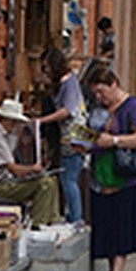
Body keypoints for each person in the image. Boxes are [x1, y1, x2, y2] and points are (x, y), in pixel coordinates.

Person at [86, 66, 136, 271]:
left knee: (121, 228)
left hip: (125, 177)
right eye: (95, 93)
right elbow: (93, 135)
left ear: (114, 84)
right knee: (107, 225)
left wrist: (114, 141)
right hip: (101, 176)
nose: (99, 97)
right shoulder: (99, 109)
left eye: (101, 92)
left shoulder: (133, 107)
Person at [0, 97, 61, 226]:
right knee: (44, 184)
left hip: (2, 182)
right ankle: (38, 224)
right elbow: (14, 169)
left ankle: (52, 220)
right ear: (7, 120)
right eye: (14, 122)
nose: (15, 126)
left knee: (52, 181)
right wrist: (33, 169)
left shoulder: (0, 134)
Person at [36, 48, 87, 223]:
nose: (46, 71)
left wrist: (43, 120)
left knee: (69, 179)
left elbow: (67, 110)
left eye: (47, 67)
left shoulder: (69, 82)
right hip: (72, 135)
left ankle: (75, 217)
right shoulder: (66, 83)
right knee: (68, 178)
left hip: (73, 136)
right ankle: (73, 215)